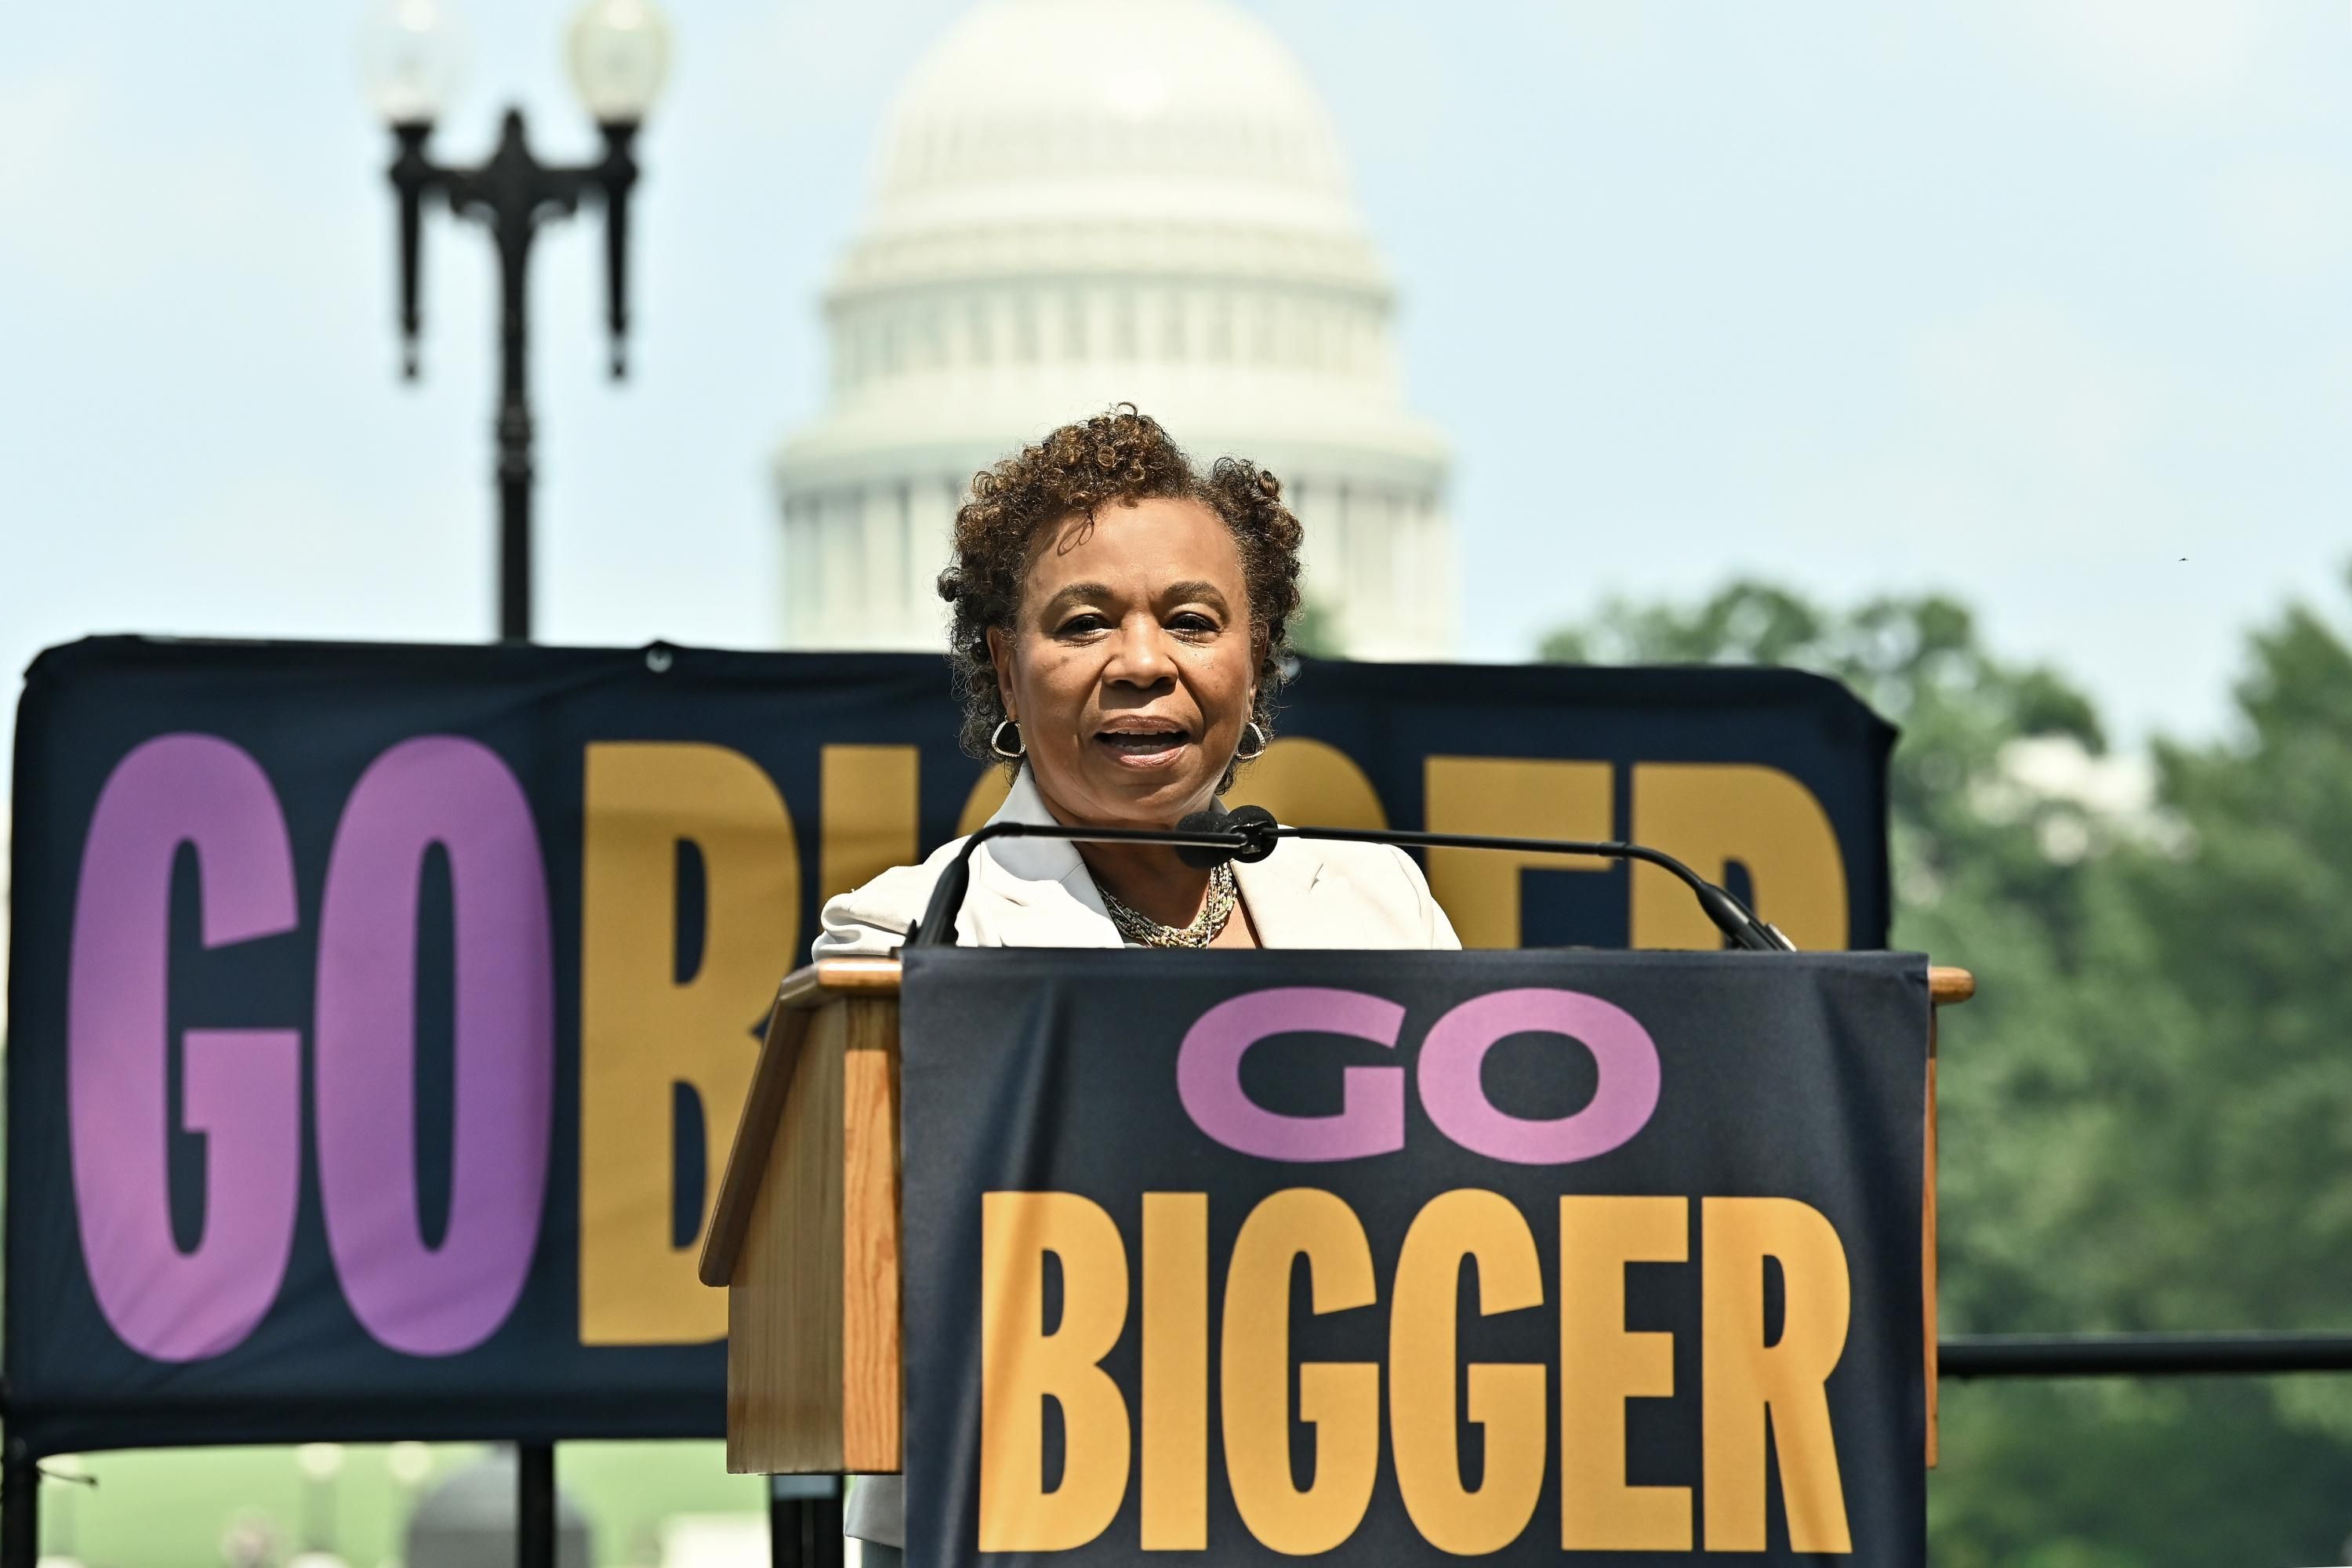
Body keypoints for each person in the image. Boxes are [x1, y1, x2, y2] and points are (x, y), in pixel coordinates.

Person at [814, 405, 1459, 1560]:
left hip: (1363, 1515)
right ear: (1007, 669)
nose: (1144, 662)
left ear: (1254, 658)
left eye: (1194, 620)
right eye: (1085, 623)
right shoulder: (904, 933)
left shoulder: (1379, 905)